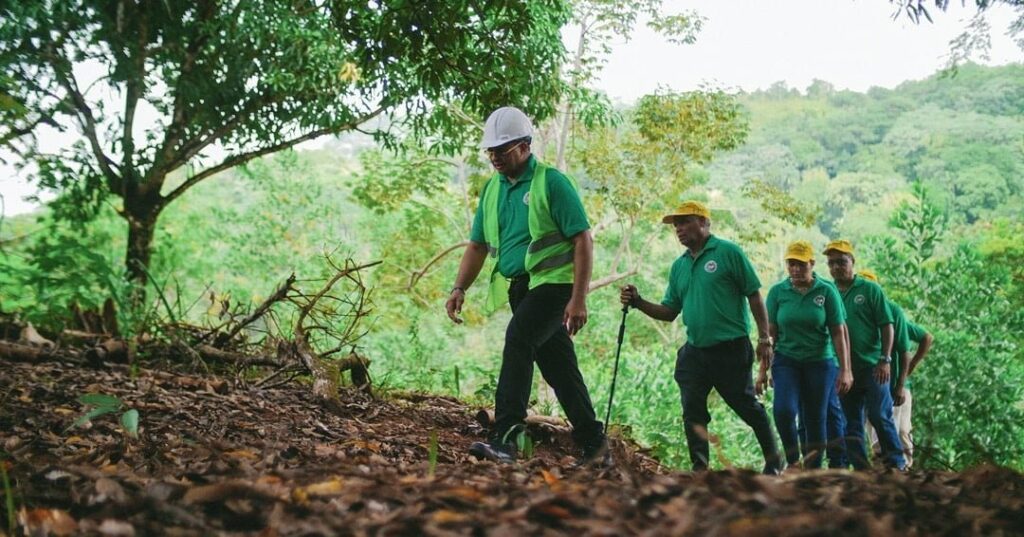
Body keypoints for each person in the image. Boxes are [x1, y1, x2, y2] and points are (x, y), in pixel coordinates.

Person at [445, 106, 607, 466]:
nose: (495, 158)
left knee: (518, 340)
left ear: (524, 146)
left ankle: (505, 439)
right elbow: (477, 246)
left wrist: (578, 299)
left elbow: (583, 240)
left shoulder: (551, 182)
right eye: (490, 152)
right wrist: (459, 288)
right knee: (559, 366)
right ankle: (595, 445)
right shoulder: (491, 191)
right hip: (521, 288)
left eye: (502, 151)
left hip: (555, 287)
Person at [620, 201, 782, 474]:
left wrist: (764, 339)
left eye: (685, 222)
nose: (679, 230)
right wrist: (638, 302)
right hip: (695, 351)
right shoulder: (679, 266)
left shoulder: (728, 252)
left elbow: (754, 294)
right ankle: (700, 469)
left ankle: (775, 463)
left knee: (747, 407)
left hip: (731, 348)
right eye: (676, 226)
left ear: (704, 223)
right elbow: (670, 311)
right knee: (692, 409)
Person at [758, 240, 853, 469]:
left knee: (815, 418)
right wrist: (763, 370)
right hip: (786, 360)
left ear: (812, 264)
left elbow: (838, 332)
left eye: (801, 264)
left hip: (820, 362)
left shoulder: (826, 291)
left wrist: (846, 370)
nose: (796, 269)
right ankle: (793, 463)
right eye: (791, 264)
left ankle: (812, 469)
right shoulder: (778, 292)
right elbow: (769, 334)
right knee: (784, 411)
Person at [823, 240, 905, 470]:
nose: (837, 267)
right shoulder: (827, 292)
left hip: (873, 367)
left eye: (842, 261)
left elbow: (886, 325)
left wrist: (885, 359)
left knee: (880, 415)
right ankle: (861, 469)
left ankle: (896, 463)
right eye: (832, 263)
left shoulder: (870, 289)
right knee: (850, 422)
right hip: (843, 370)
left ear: (852, 262)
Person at [859, 269, 934, 468]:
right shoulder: (855, 313)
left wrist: (911, 367)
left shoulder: (892, 311)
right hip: (870, 383)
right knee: (875, 432)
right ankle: (882, 471)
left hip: (896, 384)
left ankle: (904, 469)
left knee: (901, 430)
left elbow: (924, 338)